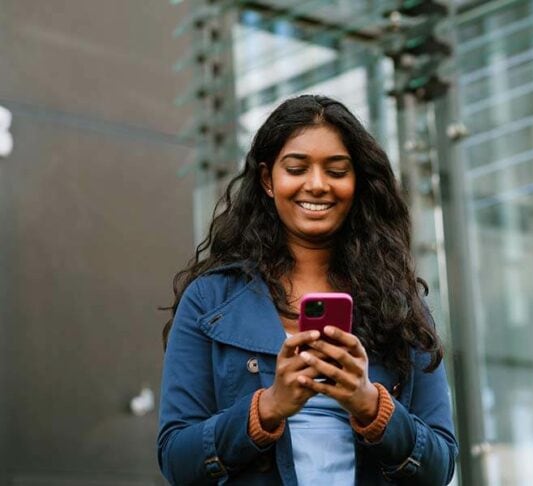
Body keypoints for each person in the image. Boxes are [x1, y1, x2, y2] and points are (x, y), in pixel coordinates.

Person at [157, 94, 458, 485]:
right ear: (268, 180)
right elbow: (177, 461)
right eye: (297, 168)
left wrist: (371, 405)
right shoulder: (210, 299)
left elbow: (440, 467)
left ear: (357, 182)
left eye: (337, 171)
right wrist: (267, 408)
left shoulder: (400, 305)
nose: (317, 185)